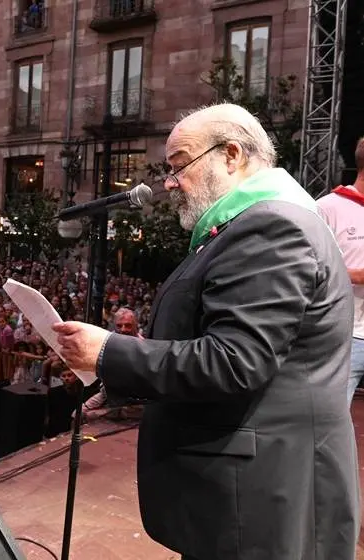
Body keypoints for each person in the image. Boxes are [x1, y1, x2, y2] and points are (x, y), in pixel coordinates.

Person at [53, 103, 359, 559]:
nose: (171, 182)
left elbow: (235, 361)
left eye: (180, 166)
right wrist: (123, 381)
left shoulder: (272, 228)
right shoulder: (252, 225)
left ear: (232, 154)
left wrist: (108, 352)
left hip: (259, 498)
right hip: (254, 491)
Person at [316, 136, 364, 404]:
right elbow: (308, 268)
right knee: (330, 421)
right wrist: (355, 275)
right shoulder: (328, 207)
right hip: (345, 334)